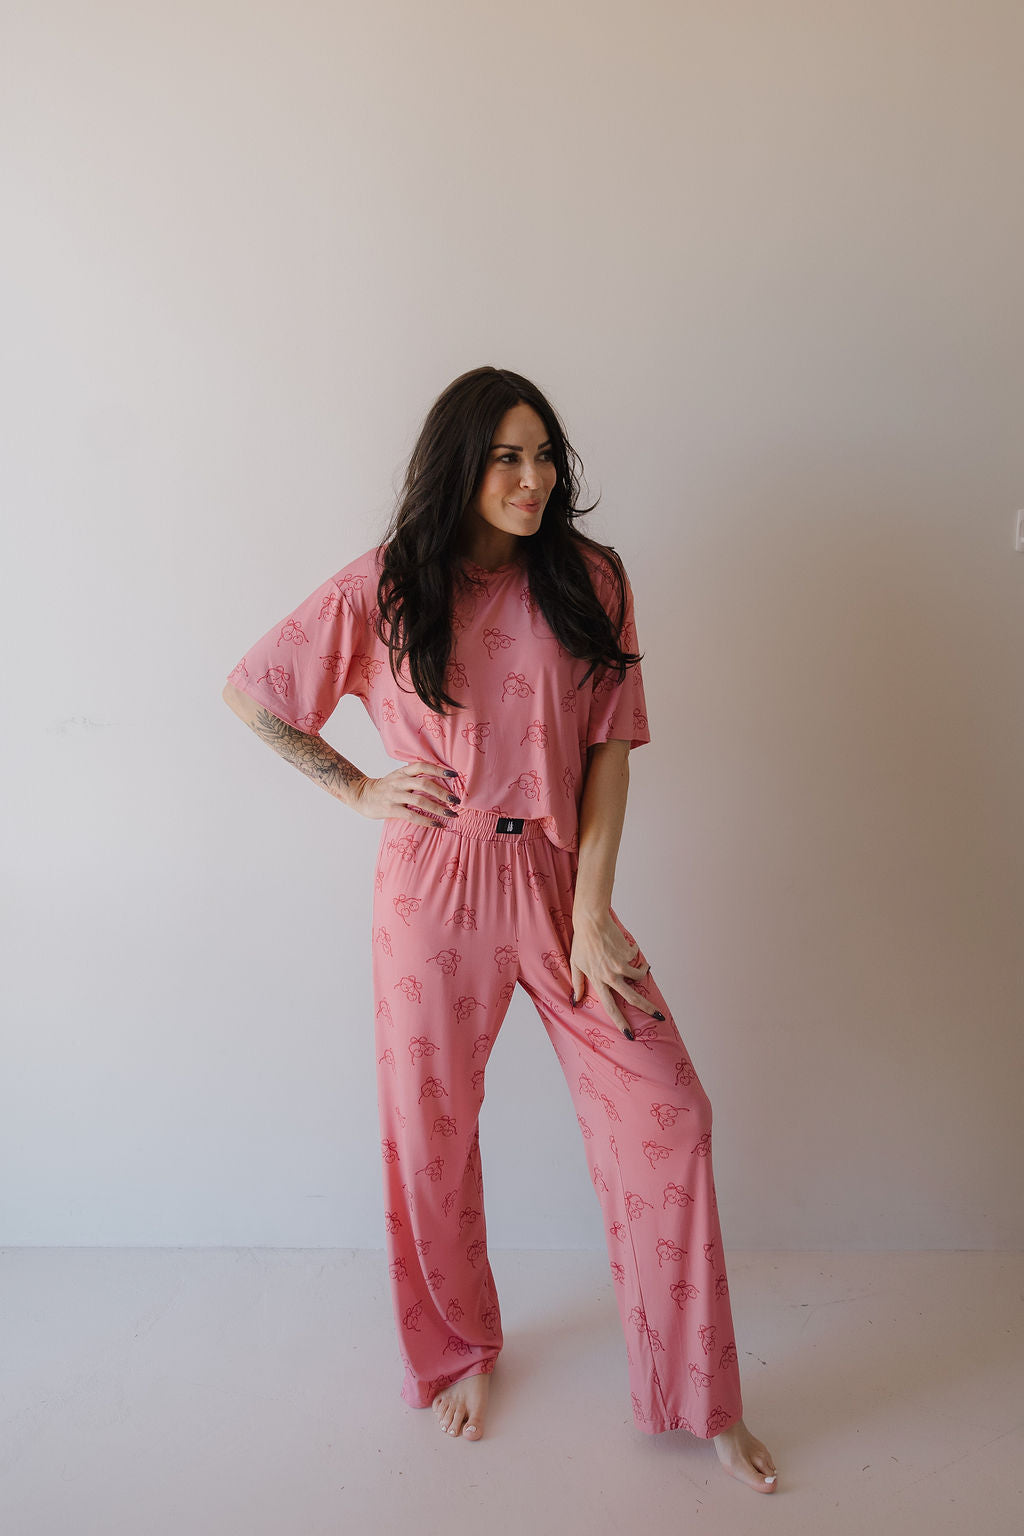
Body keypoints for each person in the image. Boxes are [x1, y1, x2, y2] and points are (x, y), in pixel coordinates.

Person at [221, 366, 778, 1492]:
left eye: (545, 455)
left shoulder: (590, 578)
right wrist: (357, 789)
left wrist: (590, 910)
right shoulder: (387, 585)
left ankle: (698, 1396)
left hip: (558, 879)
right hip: (433, 881)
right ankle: (459, 1348)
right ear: (460, 465)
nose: (535, 479)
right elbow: (255, 691)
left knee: (670, 1112)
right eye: (508, 457)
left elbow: (611, 746)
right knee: (428, 1133)